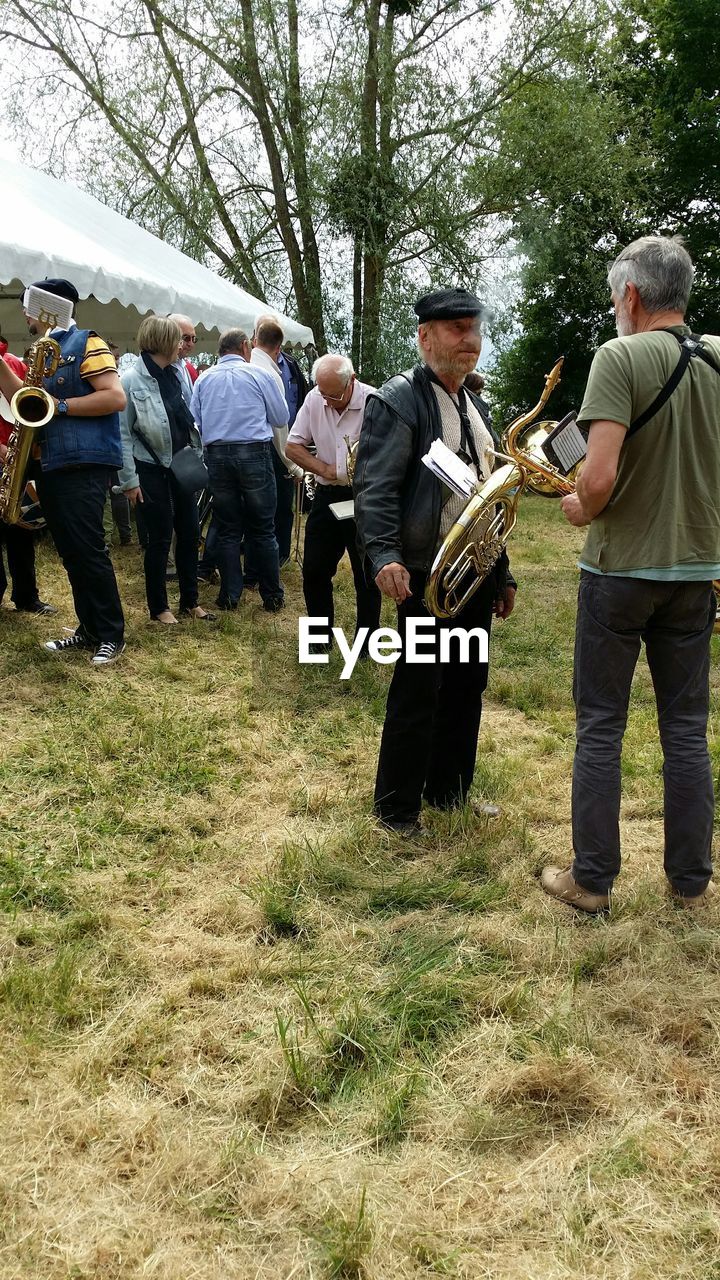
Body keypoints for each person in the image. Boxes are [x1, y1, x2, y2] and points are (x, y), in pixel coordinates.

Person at [543, 235, 720, 914]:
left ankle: (591, 880)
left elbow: (600, 477)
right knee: (686, 728)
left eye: (617, 297)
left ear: (634, 297)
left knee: (601, 725)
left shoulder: (619, 357)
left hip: (619, 572)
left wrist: (576, 507)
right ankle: (691, 882)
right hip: (695, 573)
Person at [354, 288, 516, 834]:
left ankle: (449, 794)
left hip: (470, 571)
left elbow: (489, 497)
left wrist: (501, 572)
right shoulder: (400, 399)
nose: (469, 341)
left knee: (467, 682)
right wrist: (383, 555)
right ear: (425, 337)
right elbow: (374, 488)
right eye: (456, 330)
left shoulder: (476, 406)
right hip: (424, 573)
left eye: (473, 329)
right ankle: (396, 809)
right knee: (419, 685)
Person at [0, 278, 126, 665]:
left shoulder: (88, 342)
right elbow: (25, 400)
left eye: (29, 306)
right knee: (72, 554)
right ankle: (89, 630)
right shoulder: (41, 351)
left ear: (48, 307)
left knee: (88, 550)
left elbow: (114, 396)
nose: (24, 314)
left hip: (84, 462)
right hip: (53, 462)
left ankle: (110, 635)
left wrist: (61, 406)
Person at [118, 316, 212, 625]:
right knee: (158, 539)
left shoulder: (179, 373)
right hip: (149, 468)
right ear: (162, 342)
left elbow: (187, 419)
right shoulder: (130, 379)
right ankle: (159, 608)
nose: (182, 346)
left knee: (189, 532)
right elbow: (123, 434)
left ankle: (190, 602)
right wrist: (130, 481)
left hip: (181, 464)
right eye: (178, 340)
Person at [191, 327, 289, 612]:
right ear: (246, 346)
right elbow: (281, 417)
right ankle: (271, 595)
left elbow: (196, 422)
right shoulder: (261, 375)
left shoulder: (204, 379)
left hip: (217, 455)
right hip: (253, 453)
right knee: (264, 529)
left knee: (228, 528)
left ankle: (230, 595)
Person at [286, 354, 380, 650]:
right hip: (327, 496)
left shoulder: (374, 401)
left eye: (333, 395)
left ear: (351, 381)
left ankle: (366, 642)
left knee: (366, 573)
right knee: (314, 569)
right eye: (322, 393)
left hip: (363, 498)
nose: (326, 401)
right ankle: (319, 638)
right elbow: (293, 446)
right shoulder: (316, 397)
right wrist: (324, 469)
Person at [0, 338, 55, 615]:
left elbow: (32, 406)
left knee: (20, 527)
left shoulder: (14, 364)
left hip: (17, 458)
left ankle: (27, 596)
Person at [167, 313, 199, 404]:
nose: (191, 344)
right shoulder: (159, 368)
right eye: (186, 338)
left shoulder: (188, 368)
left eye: (194, 339)